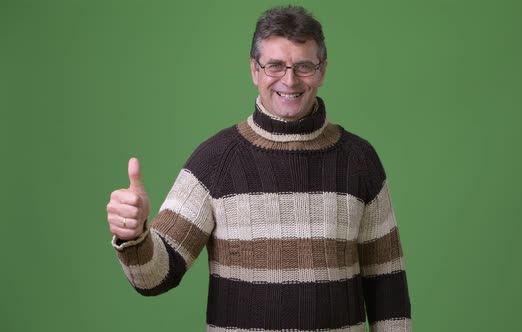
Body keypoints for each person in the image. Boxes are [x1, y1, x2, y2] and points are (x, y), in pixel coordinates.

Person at [106, 5, 411, 331]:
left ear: (322, 71)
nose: (289, 80)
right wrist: (135, 236)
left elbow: (387, 286)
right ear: (254, 70)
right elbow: (155, 277)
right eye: (275, 66)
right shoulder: (215, 161)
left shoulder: (360, 160)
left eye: (304, 66)